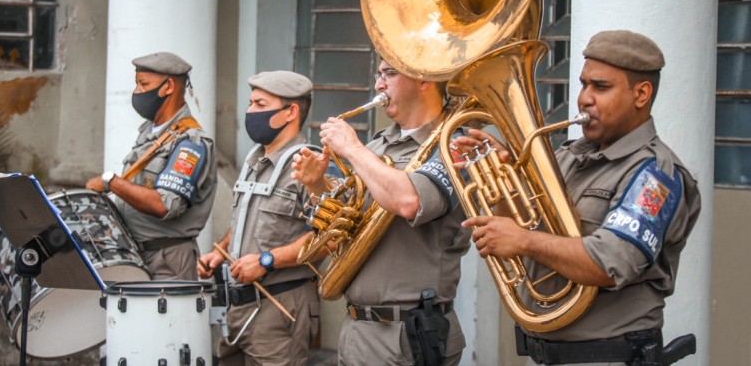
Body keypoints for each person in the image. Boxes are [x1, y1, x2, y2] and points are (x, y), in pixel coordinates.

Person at [460, 30, 701, 365]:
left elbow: (609, 262)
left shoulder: (656, 175)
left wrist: (525, 241)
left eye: (600, 87)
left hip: (607, 356)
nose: (584, 99)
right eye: (583, 84)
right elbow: (516, 232)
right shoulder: (569, 156)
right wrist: (504, 183)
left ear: (641, 94)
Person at [292, 59, 471, 366]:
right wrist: (318, 184)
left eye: (389, 74)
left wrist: (351, 148)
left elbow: (409, 201)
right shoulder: (380, 143)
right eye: (378, 74)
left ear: (423, 79)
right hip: (357, 327)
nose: (378, 85)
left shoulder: (456, 145)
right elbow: (348, 216)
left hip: (409, 334)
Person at [197, 70, 321, 366]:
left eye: (260, 105)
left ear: (290, 112)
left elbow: (328, 238)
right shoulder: (256, 160)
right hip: (239, 308)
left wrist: (267, 261)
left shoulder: (311, 164)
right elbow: (246, 221)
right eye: (250, 103)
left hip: (279, 309)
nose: (250, 111)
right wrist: (221, 251)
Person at [85, 51, 217, 281]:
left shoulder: (190, 142)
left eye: (143, 84)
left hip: (167, 260)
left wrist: (111, 182)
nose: (137, 92)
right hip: (136, 254)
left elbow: (165, 205)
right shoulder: (151, 133)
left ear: (168, 87)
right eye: (136, 84)